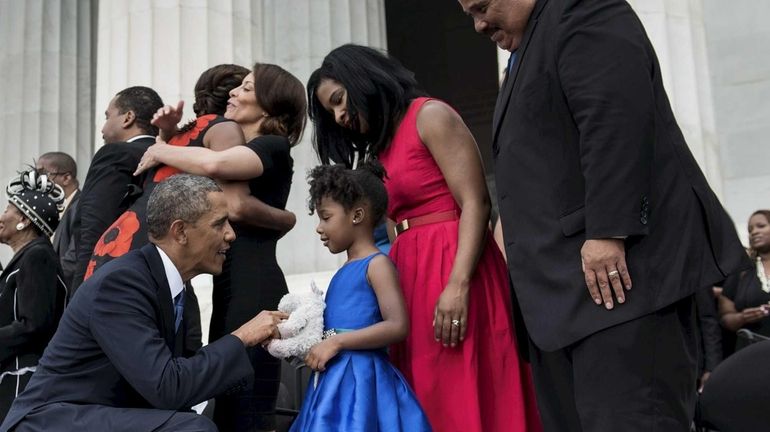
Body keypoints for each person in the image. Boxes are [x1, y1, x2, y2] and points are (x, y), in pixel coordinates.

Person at [458, 0, 750, 430]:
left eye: (482, 7)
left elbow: (616, 119)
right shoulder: (527, 50)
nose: (480, 25)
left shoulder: (582, 9)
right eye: (470, 15)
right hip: (562, 310)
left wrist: (609, 230)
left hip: (622, 289)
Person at [307, 44, 541, 431]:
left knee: (463, 381)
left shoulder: (430, 115)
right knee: (423, 388)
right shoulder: (379, 146)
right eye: (330, 112)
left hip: (455, 263)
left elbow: (476, 203)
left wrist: (458, 283)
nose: (338, 115)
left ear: (362, 79)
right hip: (408, 268)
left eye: (338, 100)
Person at [0, 174, 287, 432]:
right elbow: (167, 387)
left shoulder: (172, 287)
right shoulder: (121, 284)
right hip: (51, 421)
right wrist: (242, 337)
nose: (230, 234)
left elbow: (177, 384)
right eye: (219, 223)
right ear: (180, 232)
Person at [136, 63, 306, 432]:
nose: (234, 93)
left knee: (246, 403)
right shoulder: (246, 147)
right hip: (232, 281)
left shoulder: (270, 145)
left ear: (270, 104)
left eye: (246, 88)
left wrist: (160, 148)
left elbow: (219, 173)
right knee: (230, 398)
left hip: (254, 282)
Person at [292, 162, 430, 431]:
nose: (319, 228)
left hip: (363, 379)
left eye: (326, 217)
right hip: (335, 379)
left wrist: (338, 342)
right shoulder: (344, 270)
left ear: (356, 215)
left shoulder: (377, 265)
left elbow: (397, 325)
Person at [70, 86, 164, 292]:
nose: (102, 129)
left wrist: (80, 291)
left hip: (111, 280)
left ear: (128, 117)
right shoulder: (172, 158)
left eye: (107, 117)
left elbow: (95, 225)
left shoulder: (115, 154)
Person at [0, 170, 68, 421]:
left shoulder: (37, 257)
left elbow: (34, 325)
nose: (1, 217)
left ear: (24, 220)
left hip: (22, 378)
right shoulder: (28, 258)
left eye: (7, 210)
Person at [718, 211, 770, 342]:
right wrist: (742, 317)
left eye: (761, 226)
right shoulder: (742, 270)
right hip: (753, 350)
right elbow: (725, 317)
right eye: (750, 229)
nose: (754, 232)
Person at [36, 152, 80, 290]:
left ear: (66, 178)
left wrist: (41, 281)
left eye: (43, 175)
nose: (37, 182)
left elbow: (74, 260)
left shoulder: (81, 207)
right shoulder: (50, 210)